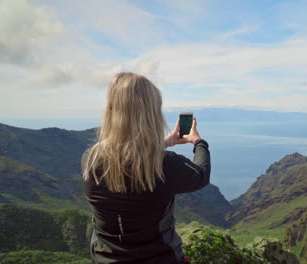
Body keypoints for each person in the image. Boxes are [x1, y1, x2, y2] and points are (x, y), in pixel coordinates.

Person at [81, 72, 211, 264]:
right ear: (151, 114)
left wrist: (163, 143)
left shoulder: (90, 160)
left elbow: (126, 159)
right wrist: (198, 142)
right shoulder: (165, 164)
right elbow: (201, 175)